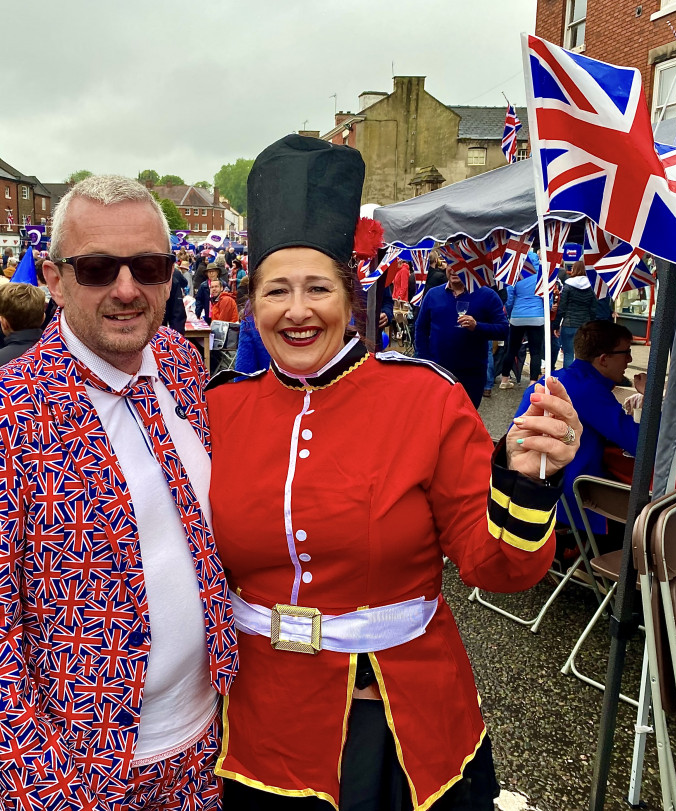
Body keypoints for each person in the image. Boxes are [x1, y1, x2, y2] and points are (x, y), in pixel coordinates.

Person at [207, 134, 581, 810]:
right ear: (251, 301)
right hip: (254, 724)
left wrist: (527, 481)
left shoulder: (426, 400)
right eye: (276, 291)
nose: (297, 310)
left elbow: (497, 568)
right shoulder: (215, 409)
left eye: (317, 287)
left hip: (396, 720)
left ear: (350, 295)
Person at [0, 174, 237, 810]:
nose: (127, 290)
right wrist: (44, 785)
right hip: (84, 775)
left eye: (148, 266)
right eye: (98, 269)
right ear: (54, 277)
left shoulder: (179, 362)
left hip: (215, 746)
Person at [516, 320, 638, 539]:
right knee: (648, 516)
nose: (629, 359)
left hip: (530, 493)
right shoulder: (589, 390)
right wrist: (651, 397)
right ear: (603, 359)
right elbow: (645, 444)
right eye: (626, 352)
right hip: (571, 504)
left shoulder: (555, 379)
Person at [415, 263, 508, 406]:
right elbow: (421, 328)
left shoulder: (487, 295)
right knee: (437, 416)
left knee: (466, 421)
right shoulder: (433, 294)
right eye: (450, 264)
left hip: (471, 374)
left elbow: (503, 330)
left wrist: (477, 326)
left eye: (459, 265)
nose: (453, 270)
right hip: (438, 371)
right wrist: (424, 360)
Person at [499, 258, 545, 389]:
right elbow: (546, 298)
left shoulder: (517, 276)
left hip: (517, 316)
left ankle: (504, 379)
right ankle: (532, 382)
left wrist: (509, 313)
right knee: (536, 351)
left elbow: (509, 298)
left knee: (511, 349)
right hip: (537, 316)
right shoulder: (541, 276)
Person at [556, 260, 598, 370]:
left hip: (569, 323)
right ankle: (582, 380)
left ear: (574, 269)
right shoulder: (591, 286)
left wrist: (556, 325)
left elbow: (562, 307)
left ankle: (568, 381)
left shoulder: (568, 285)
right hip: (585, 325)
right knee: (584, 356)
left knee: (568, 354)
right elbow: (593, 309)